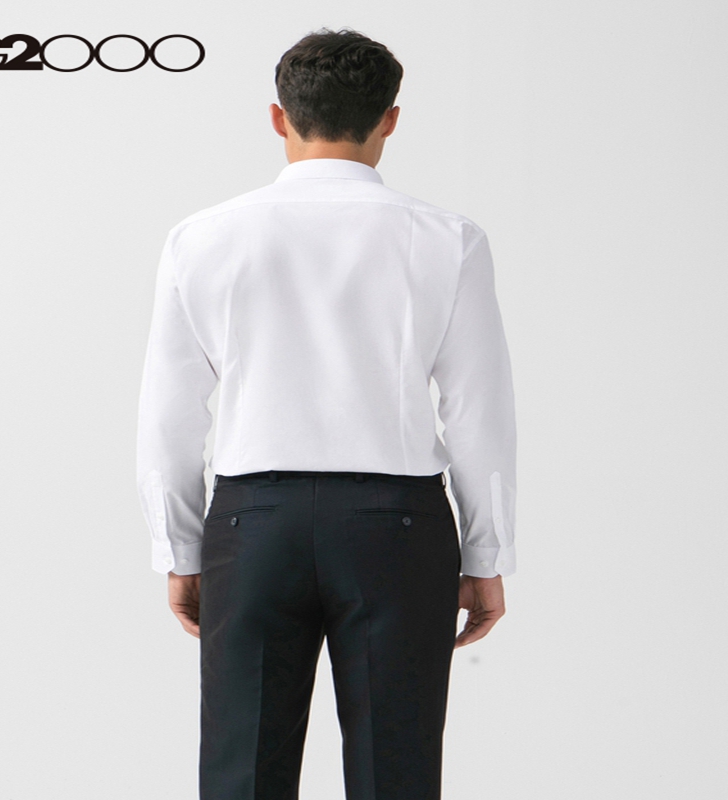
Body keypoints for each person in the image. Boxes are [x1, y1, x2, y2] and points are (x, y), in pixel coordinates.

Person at [136, 27, 517, 800]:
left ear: (279, 117)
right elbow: (479, 413)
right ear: (390, 120)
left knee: (242, 775)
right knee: (396, 773)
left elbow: (169, 414)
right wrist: (486, 555)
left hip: (253, 524)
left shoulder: (202, 238)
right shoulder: (448, 240)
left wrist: (178, 547)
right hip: (396, 529)